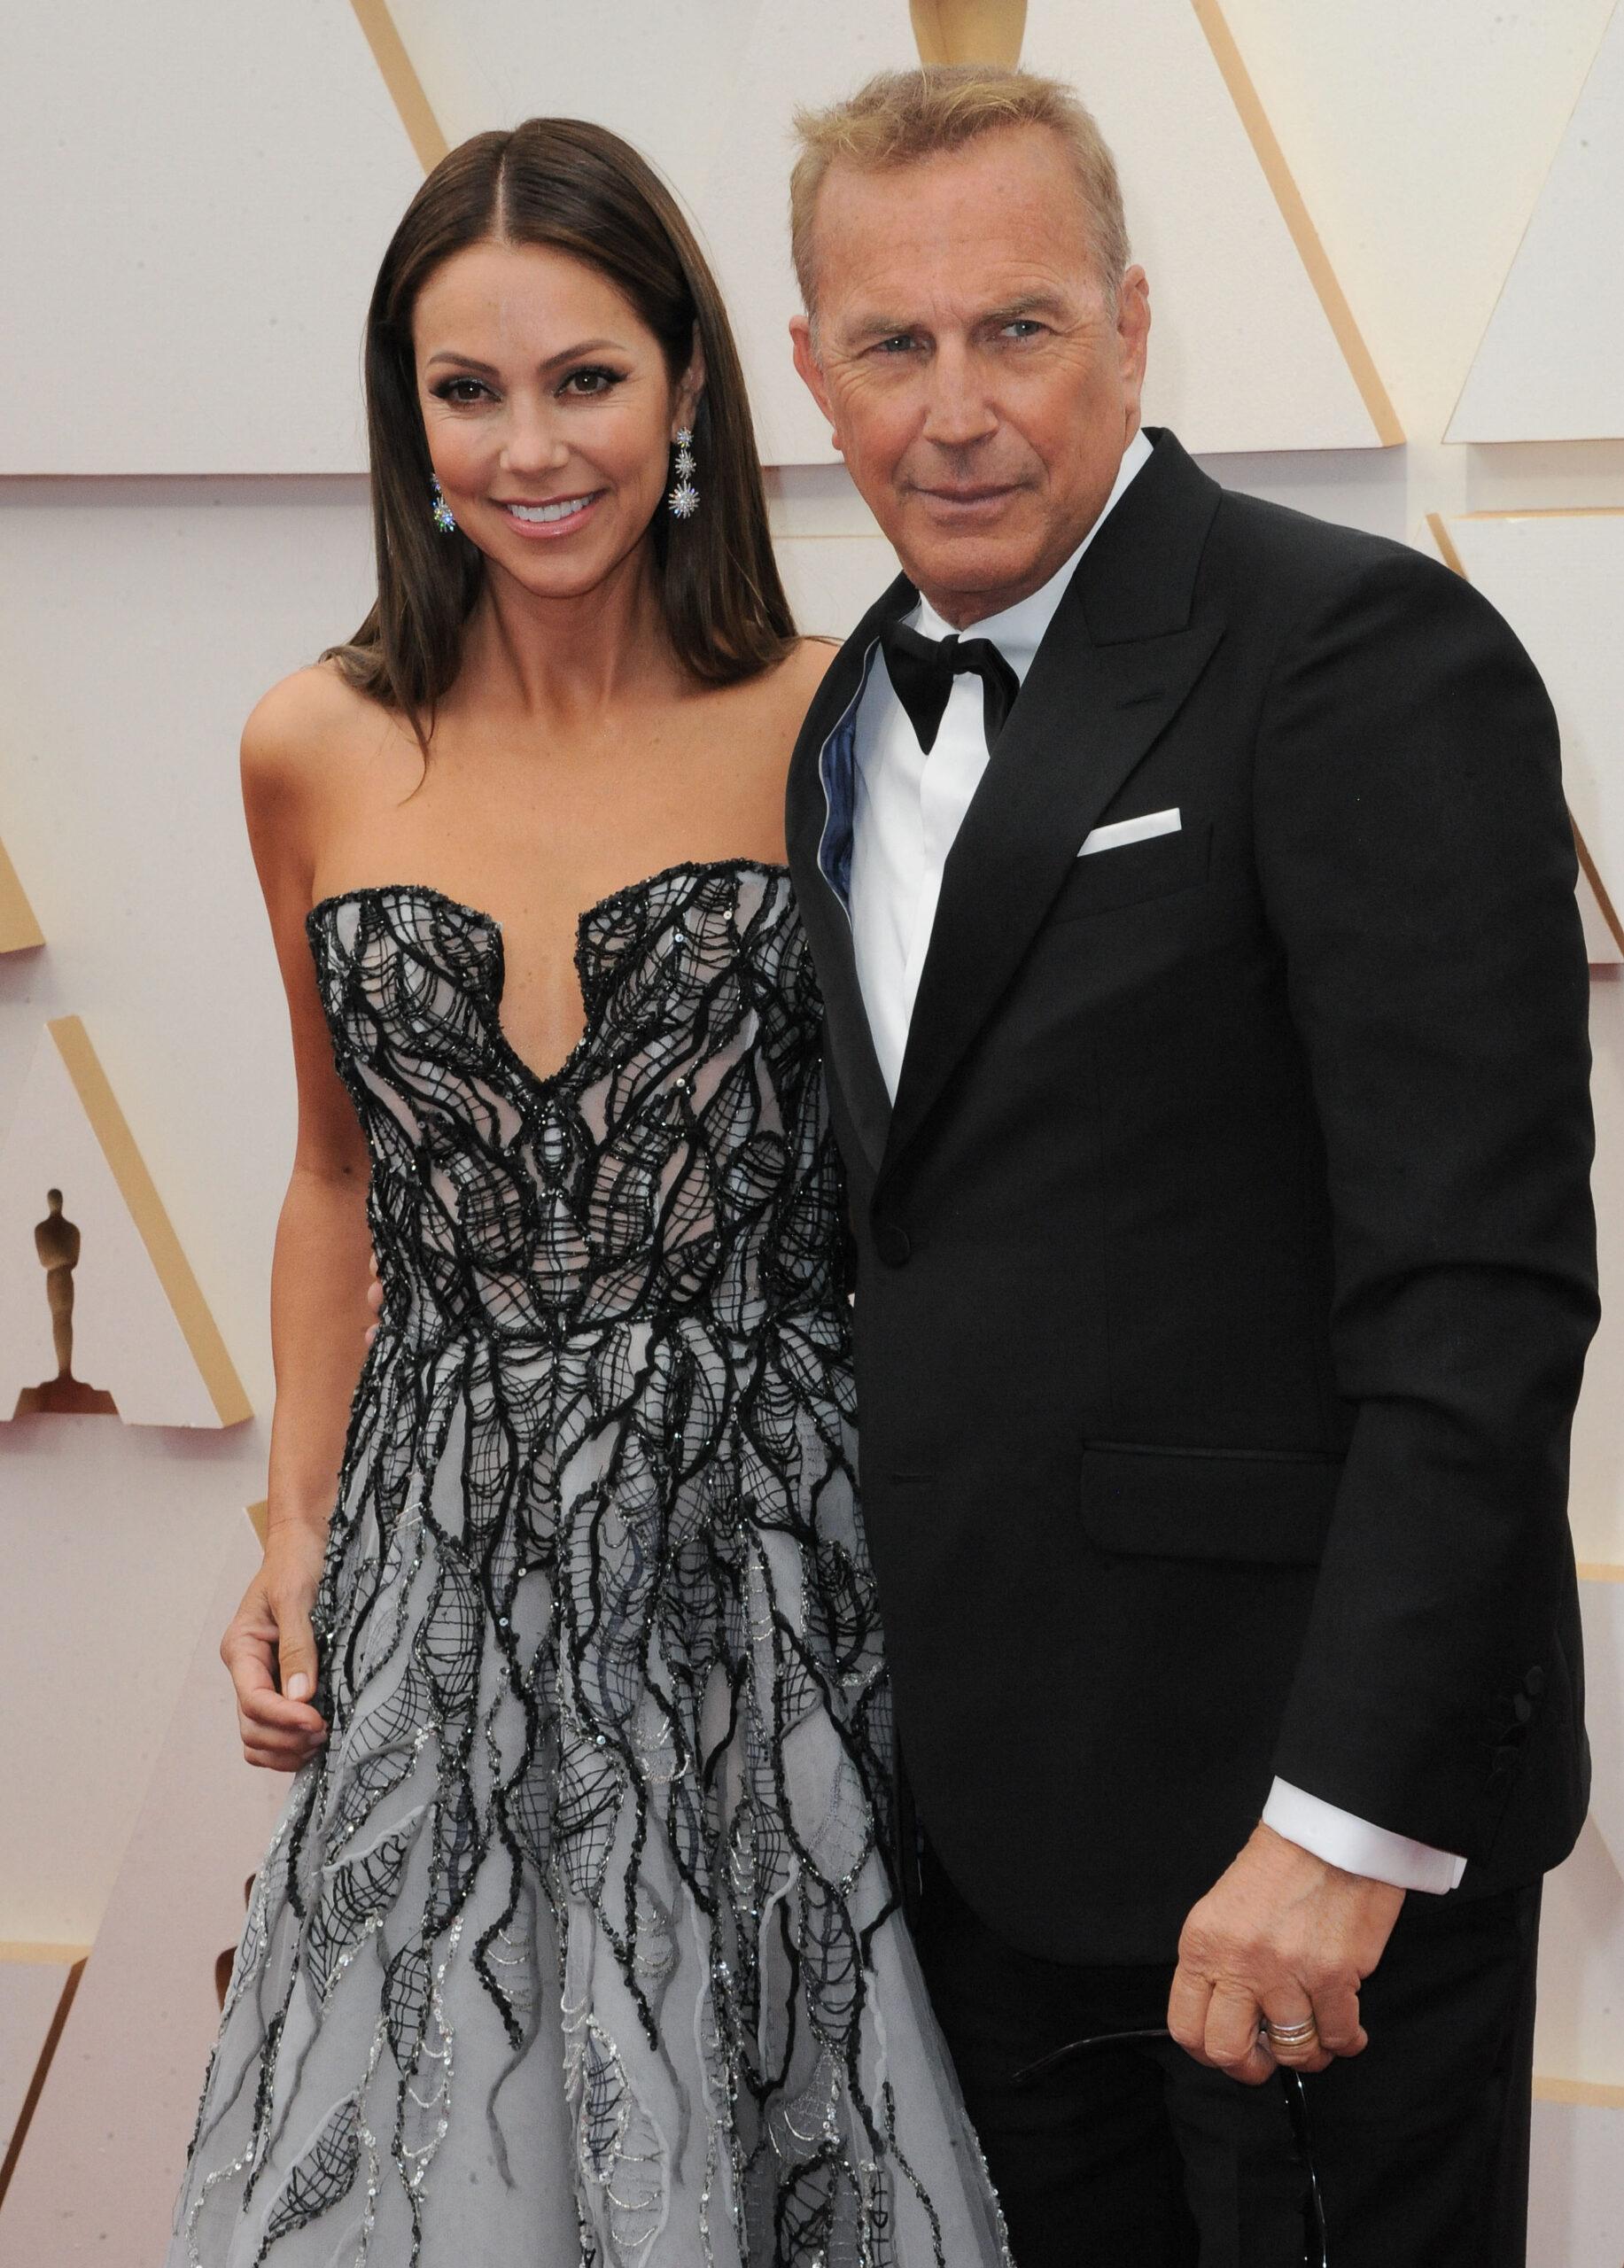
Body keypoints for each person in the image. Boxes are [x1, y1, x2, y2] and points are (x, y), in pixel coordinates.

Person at [779, 64, 1598, 2268]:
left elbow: (1479, 1294)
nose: (953, 409)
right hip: (985, 1841)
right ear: (807, 370)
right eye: (893, 342)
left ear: (1132, 325)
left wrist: (1342, 1823)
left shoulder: (1353, 651)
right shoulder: (842, 710)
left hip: (1297, 1849)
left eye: (1016, 327)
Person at [171, 116, 1010, 2268]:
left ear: (691, 386)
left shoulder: (845, 724)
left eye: (585, 378)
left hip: (778, 1560)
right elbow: (339, 1177)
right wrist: (294, 1527)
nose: (528, 446)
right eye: (468, 389)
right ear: (406, 413)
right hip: (439, 1566)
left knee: (768, 2142)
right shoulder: (312, 747)